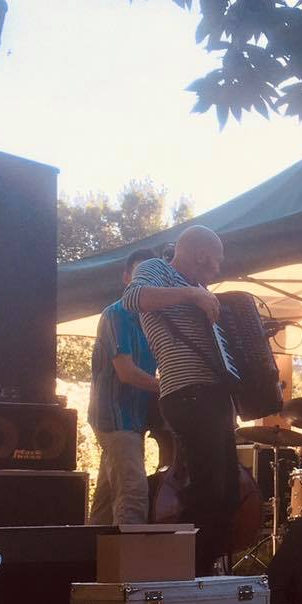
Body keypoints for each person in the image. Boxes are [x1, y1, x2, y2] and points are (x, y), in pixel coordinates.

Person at [123, 226, 234, 573]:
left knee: (228, 491)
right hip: (186, 393)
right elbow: (133, 298)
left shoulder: (200, 290)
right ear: (201, 255)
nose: (218, 269)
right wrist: (192, 294)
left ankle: (205, 567)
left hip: (213, 397)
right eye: (217, 261)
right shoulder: (157, 268)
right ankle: (189, 571)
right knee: (207, 488)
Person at [88, 248, 160, 526]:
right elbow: (127, 373)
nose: (145, 283)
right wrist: (168, 386)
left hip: (135, 420)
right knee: (133, 494)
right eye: (139, 275)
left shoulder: (153, 320)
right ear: (126, 278)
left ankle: (88, 551)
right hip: (116, 418)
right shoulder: (115, 315)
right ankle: (129, 556)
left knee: (106, 500)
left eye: (150, 277)